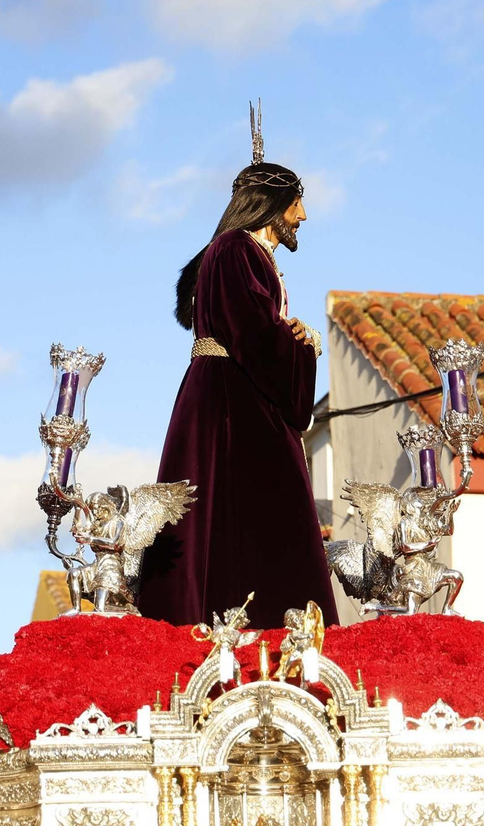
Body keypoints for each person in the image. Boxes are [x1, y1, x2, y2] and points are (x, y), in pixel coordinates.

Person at [136, 104, 339, 630]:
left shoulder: (243, 254)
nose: (304, 217)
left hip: (234, 396)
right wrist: (302, 350)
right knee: (240, 518)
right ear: (272, 205)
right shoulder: (234, 248)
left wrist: (293, 338)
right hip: (233, 404)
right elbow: (251, 333)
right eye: (298, 203)